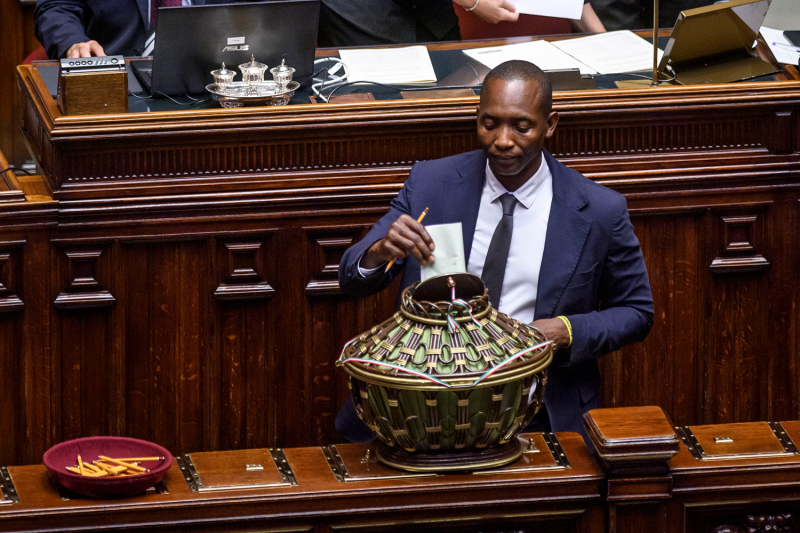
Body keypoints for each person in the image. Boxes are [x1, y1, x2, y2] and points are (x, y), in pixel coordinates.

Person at [337, 60, 653, 443]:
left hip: (536, 408)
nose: (503, 140)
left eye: (522, 126)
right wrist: (379, 251)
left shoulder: (599, 210)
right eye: (490, 124)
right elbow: (352, 276)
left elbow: (637, 312)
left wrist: (566, 331)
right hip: (423, 402)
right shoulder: (432, 185)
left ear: (551, 124)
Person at [35, 0, 251, 59]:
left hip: (213, 76)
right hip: (116, 78)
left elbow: (254, 9)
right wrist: (73, 42)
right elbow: (56, 7)